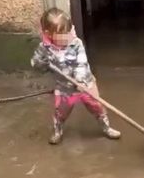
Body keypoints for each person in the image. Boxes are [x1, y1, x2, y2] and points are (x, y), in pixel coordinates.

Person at [31, 8, 121, 144]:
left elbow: (81, 63)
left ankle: (106, 127)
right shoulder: (44, 47)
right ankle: (58, 130)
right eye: (61, 34)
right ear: (49, 34)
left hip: (85, 84)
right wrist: (40, 63)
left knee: (96, 106)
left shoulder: (75, 43)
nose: (66, 36)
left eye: (68, 32)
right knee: (61, 111)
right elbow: (35, 63)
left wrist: (80, 81)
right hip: (64, 88)